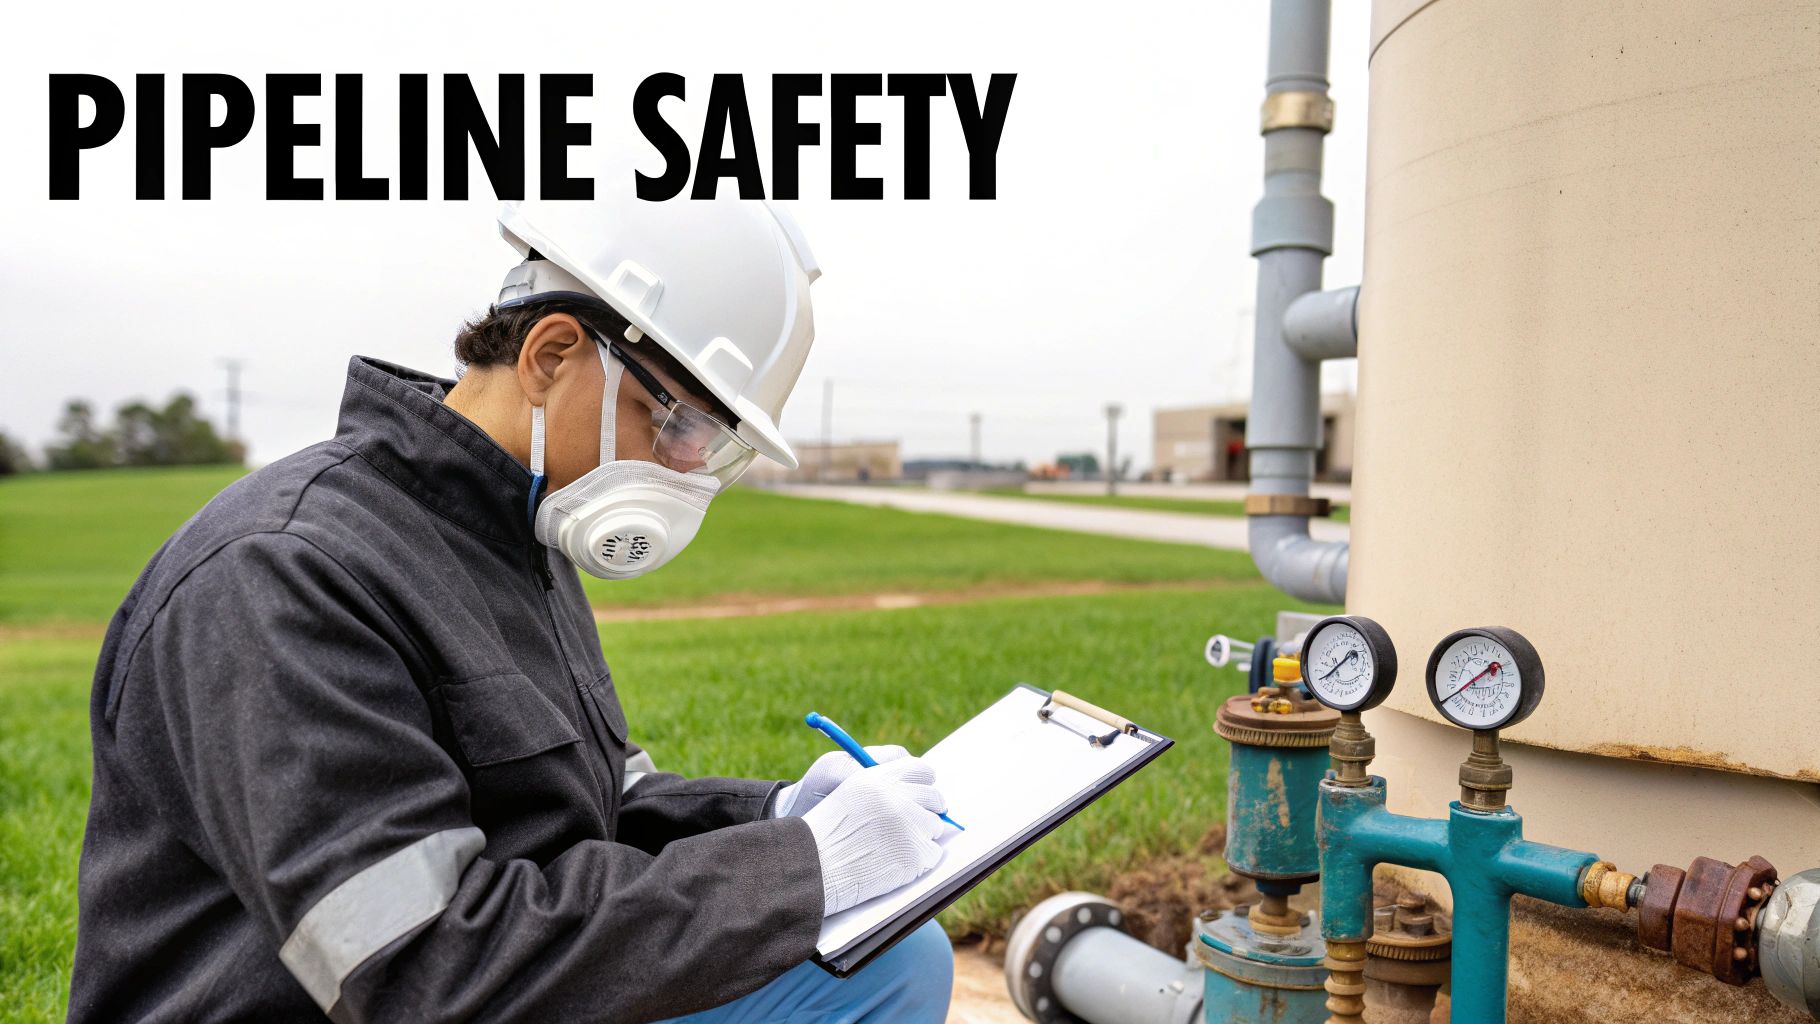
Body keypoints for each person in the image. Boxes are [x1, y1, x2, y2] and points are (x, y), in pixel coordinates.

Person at [68, 191, 957, 1023]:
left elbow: (590, 807)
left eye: (713, 447)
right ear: (552, 355)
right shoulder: (285, 575)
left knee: (896, 956)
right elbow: (421, 968)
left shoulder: (514, 530)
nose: (686, 468)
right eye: (679, 424)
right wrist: (800, 871)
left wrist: (775, 815)